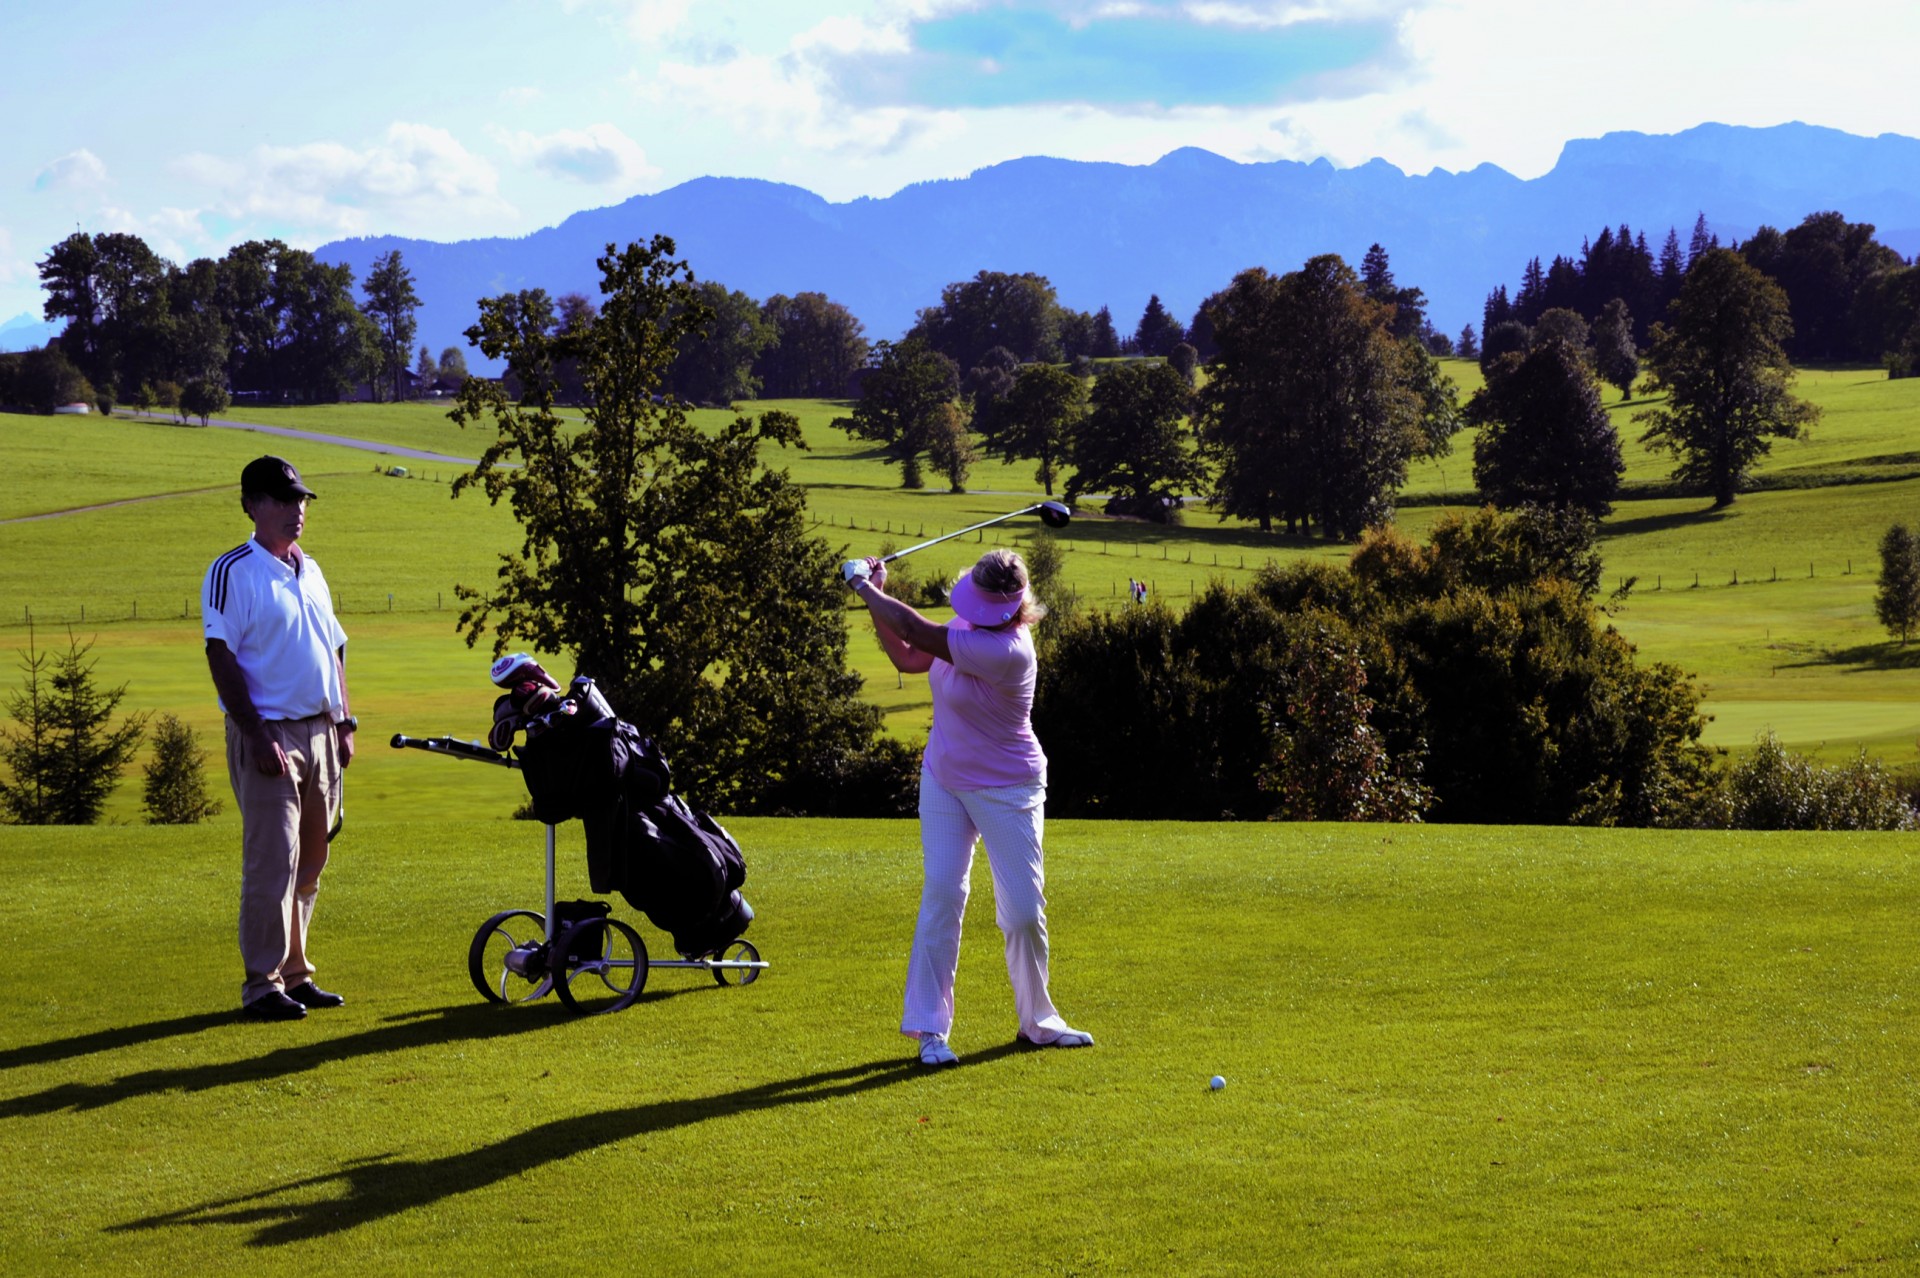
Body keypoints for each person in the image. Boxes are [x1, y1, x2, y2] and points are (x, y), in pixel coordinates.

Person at [848, 548, 1093, 1067]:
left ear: (1009, 608)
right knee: (942, 893)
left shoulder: (1009, 651)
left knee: (1022, 915)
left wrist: (867, 589)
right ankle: (930, 1032)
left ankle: (1040, 1024)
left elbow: (918, 633)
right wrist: (877, 596)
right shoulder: (967, 624)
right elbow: (909, 655)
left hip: (1008, 787)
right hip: (944, 779)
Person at [202, 456, 356, 1022]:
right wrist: (256, 733)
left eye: (301, 500)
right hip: (269, 736)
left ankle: (295, 972)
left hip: (321, 732)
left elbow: (334, 646)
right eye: (285, 500)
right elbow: (220, 655)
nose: (298, 511)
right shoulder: (232, 571)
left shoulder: (310, 568)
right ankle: (262, 986)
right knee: (273, 864)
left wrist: (343, 721)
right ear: (252, 504)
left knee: (311, 861)